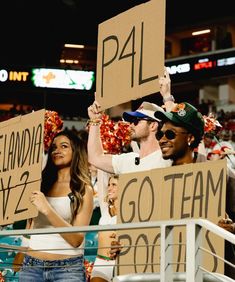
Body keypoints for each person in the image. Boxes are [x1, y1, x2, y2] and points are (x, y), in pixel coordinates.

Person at [154, 102, 235, 279]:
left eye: (170, 134)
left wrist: (231, 228)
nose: (161, 139)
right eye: (160, 134)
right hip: (169, 273)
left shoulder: (220, 175)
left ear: (190, 138)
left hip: (211, 274)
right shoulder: (154, 181)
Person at [19, 129, 94, 282]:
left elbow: (76, 240)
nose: (57, 150)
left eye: (64, 146)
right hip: (32, 267)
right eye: (53, 147)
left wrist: (47, 209)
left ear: (76, 151)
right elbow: (29, 225)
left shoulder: (84, 189)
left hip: (67, 270)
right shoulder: (39, 185)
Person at [87, 68, 175, 174]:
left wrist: (167, 97)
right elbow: (95, 158)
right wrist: (95, 120)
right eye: (131, 121)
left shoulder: (167, 158)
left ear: (153, 125)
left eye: (136, 121)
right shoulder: (128, 160)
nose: (131, 125)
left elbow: (178, 135)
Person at [90, 174, 120, 282]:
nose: (109, 188)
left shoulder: (129, 211)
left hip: (119, 263)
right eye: (108, 185)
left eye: (114, 185)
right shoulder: (104, 208)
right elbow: (101, 173)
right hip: (101, 262)